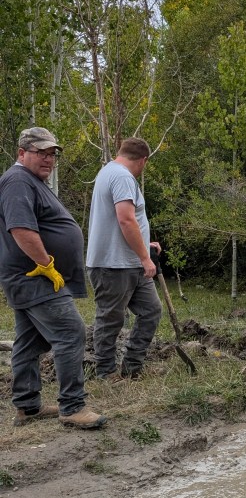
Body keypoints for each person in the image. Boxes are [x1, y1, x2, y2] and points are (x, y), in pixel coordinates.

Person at [0, 127, 108, 430]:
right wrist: (46, 264)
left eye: (52, 154)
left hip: (30, 278)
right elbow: (21, 228)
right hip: (35, 277)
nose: (48, 159)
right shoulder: (18, 181)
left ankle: (28, 406)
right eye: (41, 152)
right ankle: (72, 407)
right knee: (71, 332)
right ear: (22, 153)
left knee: (29, 341)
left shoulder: (30, 181)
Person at [86, 137, 162, 380]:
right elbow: (126, 219)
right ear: (143, 160)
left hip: (130, 262)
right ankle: (106, 373)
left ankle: (132, 368)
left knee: (151, 310)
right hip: (113, 265)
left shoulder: (109, 172)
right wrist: (145, 258)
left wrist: (144, 245)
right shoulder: (122, 177)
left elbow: (122, 221)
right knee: (110, 320)